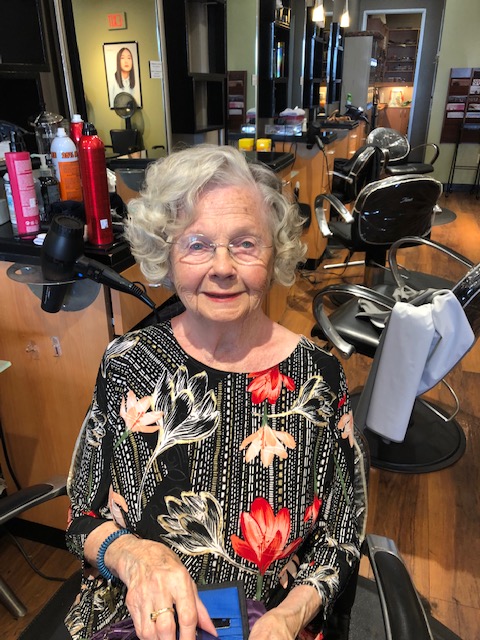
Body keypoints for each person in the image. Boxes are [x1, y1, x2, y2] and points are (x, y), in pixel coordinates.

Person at [65, 144, 366, 640]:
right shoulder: (127, 364)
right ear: (167, 255)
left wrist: (288, 618)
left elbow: (342, 533)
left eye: (245, 243)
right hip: (138, 619)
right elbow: (83, 516)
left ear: (275, 253)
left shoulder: (320, 377)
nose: (222, 267)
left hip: (271, 623)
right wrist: (135, 557)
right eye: (198, 244)